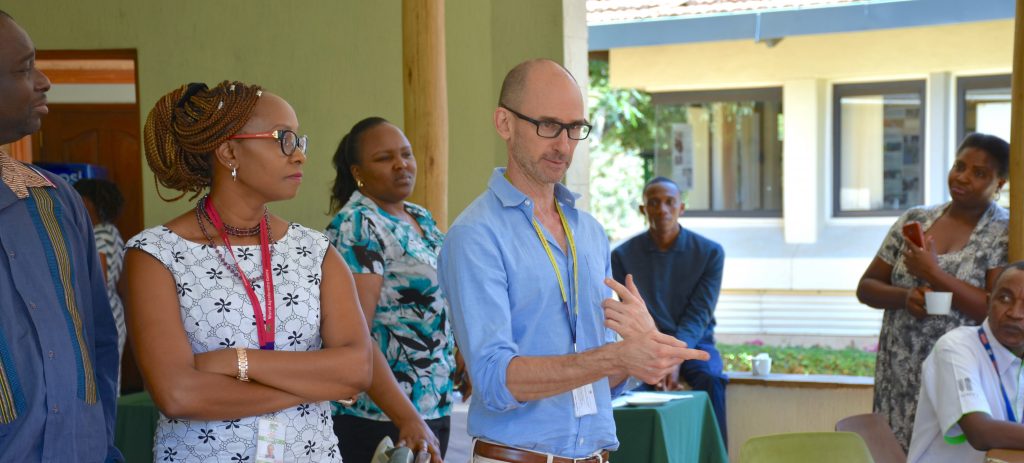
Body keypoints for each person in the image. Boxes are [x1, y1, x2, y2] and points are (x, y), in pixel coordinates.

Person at [438, 58, 708, 462]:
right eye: (547, 125)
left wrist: (641, 351)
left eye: (575, 128)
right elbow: (494, 381)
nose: (563, 145)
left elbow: (606, 377)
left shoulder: (590, 233)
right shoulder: (476, 235)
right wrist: (615, 356)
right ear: (504, 123)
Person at [121, 80, 373, 462]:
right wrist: (316, 385)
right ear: (229, 151)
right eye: (283, 139)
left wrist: (237, 361)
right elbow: (178, 394)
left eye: (299, 141)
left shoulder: (316, 252)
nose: (300, 155)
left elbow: (358, 368)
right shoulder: (155, 256)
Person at [0, 10, 122, 462]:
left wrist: (99, 440)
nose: (43, 81)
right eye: (24, 69)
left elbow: (98, 342)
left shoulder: (56, 201)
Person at [326, 117, 468, 463]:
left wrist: (461, 352)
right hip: (380, 417)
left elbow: (441, 297)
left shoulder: (419, 217)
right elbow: (355, 334)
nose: (401, 164)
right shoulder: (358, 224)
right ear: (358, 172)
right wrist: (407, 417)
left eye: (406, 154)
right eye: (384, 158)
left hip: (431, 402)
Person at [857, 132, 1010, 450]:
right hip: (899, 371)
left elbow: (993, 308)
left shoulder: (1004, 233)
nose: (963, 177)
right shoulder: (915, 220)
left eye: (979, 173)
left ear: (1000, 184)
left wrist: (933, 273)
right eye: (959, 166)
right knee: (892, 452)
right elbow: (866, 287)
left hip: (959, 378)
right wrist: (904, 297)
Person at [611, 175, 728, 444]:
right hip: (646, 344)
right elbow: (630, 315)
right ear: (643, 209)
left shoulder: (710, 253)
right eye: (654, 202)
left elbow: (699, 314)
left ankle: (717, 455)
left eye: (669, 202)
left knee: (711, 379)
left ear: (681, 208)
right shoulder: (622, 256)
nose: (662, 209)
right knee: (624, 388)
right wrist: (656, 356)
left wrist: (672, 357)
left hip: (695, 342)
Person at [907, 261, 1024, 462]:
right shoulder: (955, 348)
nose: (1015, 313)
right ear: (988, 302)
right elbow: (981, 433)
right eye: (1004, 298)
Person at [74, 178, 127, 392]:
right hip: (114, 312)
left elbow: (99, 281)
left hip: (102, 315)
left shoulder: (99, 234)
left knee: (102, 382)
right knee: (110, 380)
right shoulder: (110, 231)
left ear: (88, 202)